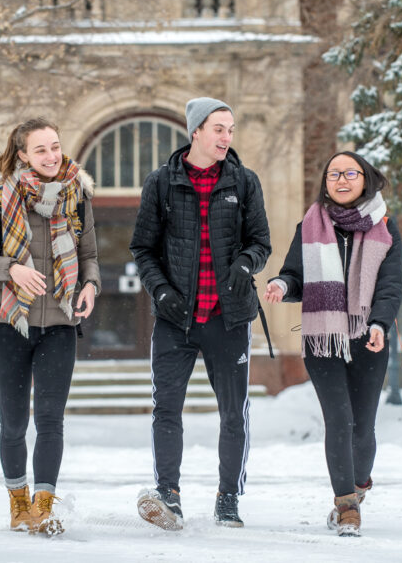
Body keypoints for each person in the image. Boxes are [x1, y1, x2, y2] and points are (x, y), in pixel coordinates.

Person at [130, 97, 271, 530]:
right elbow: (142, 248)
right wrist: (161, 291)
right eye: (219, 129)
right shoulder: (161, 183)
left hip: (229, 319)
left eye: (231, 129)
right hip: (176, 320)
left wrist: (247, 263)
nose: (227, 137)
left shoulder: (244, 182)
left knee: (233, 412)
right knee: (166, 408)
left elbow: (261, 242)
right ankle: (168, 495)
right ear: (196, 132)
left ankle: (228, 498)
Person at [0, 117, 100, 536]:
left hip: (60, 324)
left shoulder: (78, 195)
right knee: (13, 423)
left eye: (55, 147)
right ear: (22, 154)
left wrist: (92, 285)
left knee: (50, 420)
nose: (51, 155)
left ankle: (44, 505)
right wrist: (12, 270)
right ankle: (18, 502)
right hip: (9, 325)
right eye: (40, 149)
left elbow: (91, 254)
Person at [263, 151, 402, 537]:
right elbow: (295, 273)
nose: (341, 180)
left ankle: (357, 488)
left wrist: (378, 323)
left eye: (349, 173)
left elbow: (391, 285)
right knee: (339, 421)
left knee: (363, 427)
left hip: (367, 339)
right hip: (323, 340)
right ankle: (346, 508)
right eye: (333, 174)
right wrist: (281, 284)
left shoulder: (385, 227)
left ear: (365, 179)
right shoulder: (310, 226)